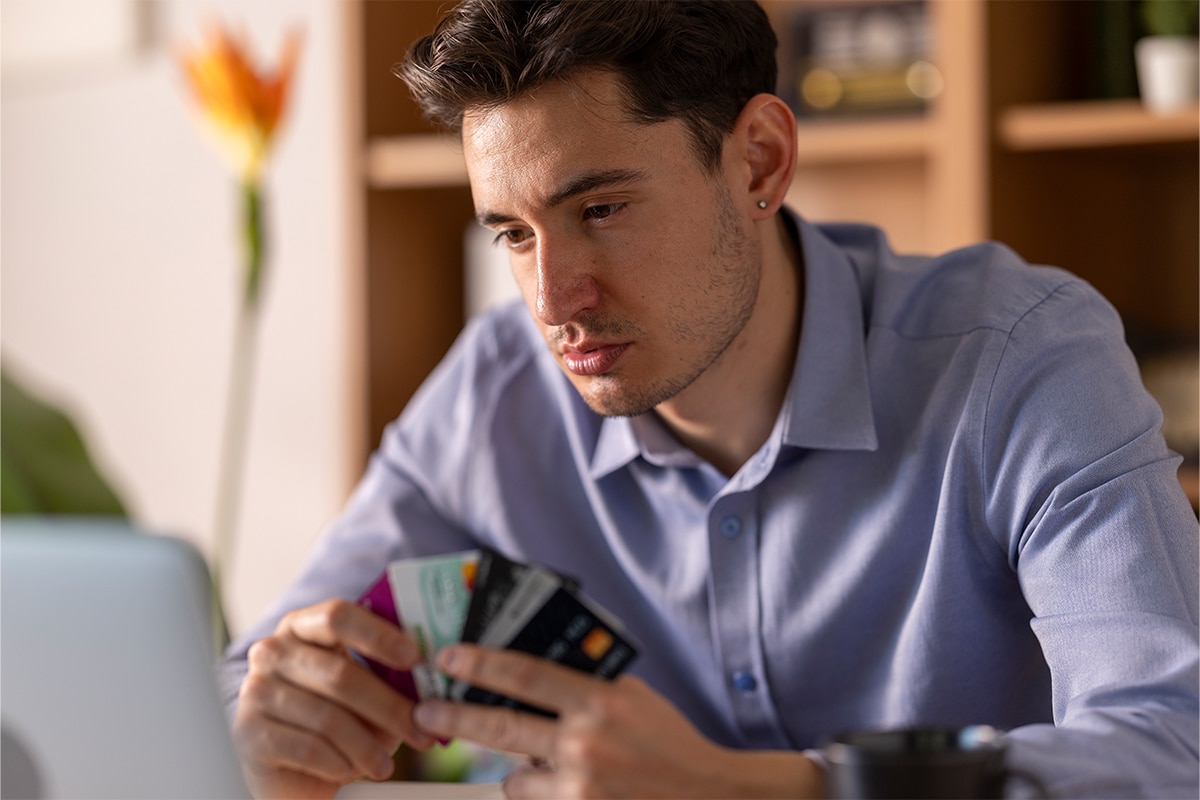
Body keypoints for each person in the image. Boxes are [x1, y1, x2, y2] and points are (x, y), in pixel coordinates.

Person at [218, 1, 1200, 798]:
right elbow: (254, 675)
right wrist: (259, 727)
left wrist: (768, 790)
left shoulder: (1018, 359)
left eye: (601, 208)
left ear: (760, 160)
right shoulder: (495, 391)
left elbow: (1173, 744)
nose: (553, 301)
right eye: (513, 233)